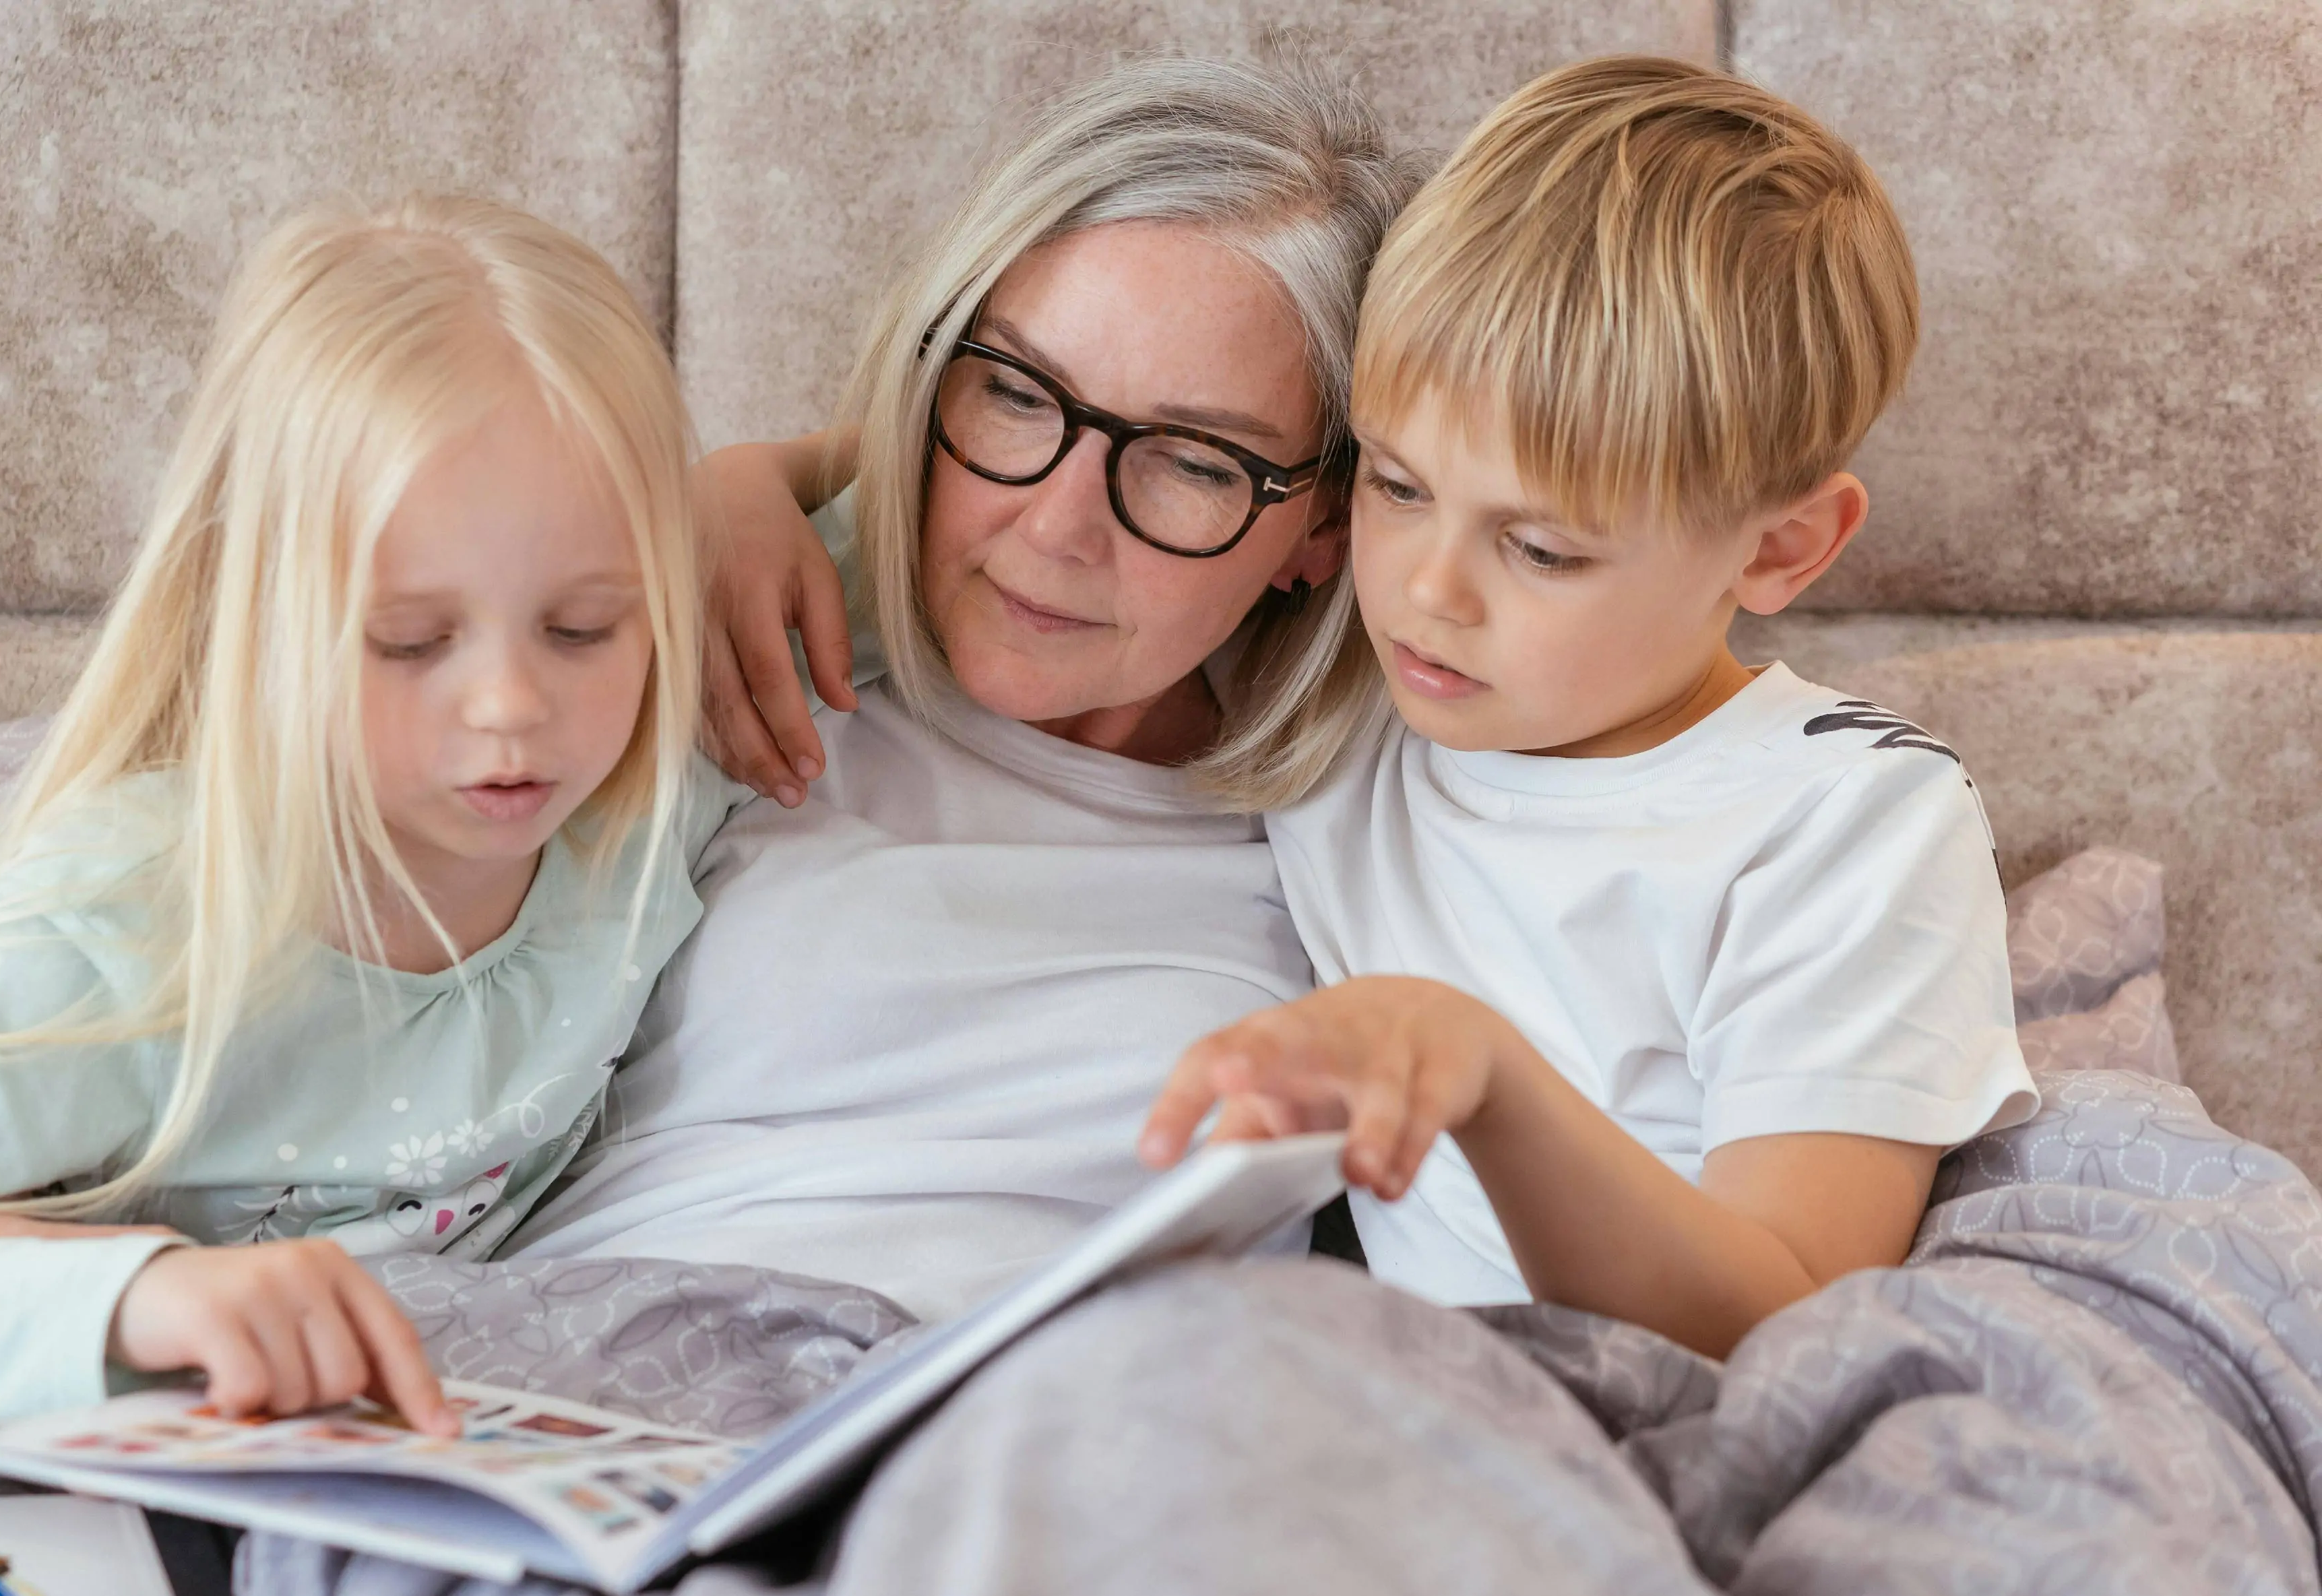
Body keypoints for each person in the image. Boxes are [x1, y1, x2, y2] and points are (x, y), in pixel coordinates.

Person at [0, 196, 722, 1434]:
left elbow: (921, 524)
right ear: (255, 616)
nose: (513, 707)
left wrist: (763, 486)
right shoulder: (127, 919)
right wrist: (133, 1300)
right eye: (408, 641)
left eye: (584, 626)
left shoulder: (648, 789)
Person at [1139, 57, 2038, 1358]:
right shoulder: (1348, 680)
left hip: (1635, 1429)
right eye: (1395, 484)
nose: (1426, 591)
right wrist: (773, 490)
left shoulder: (1848, 821)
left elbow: (1789, 1323)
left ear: (1779, 552)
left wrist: (1484, 1075)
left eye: (1542, 551)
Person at [512, 55, 1425, 1321]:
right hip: (612, 1376)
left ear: (1322, 527)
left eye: (1194, 462)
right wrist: (732, 485)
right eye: (1013, 392)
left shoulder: (1386, 816)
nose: (1057, 527)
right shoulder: (750, 656)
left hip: (1087, 1436)